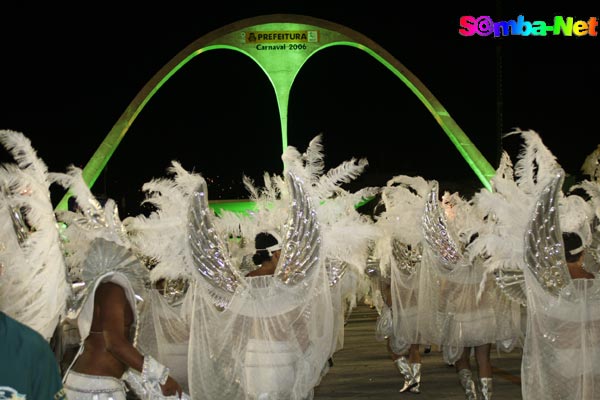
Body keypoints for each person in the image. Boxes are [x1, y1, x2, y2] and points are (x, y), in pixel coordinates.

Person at [61, 239, 184, 399]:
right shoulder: (112, 289)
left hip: (94, 383)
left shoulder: (105, 287)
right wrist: (161, 376)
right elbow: (115, 344)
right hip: (96, 388)